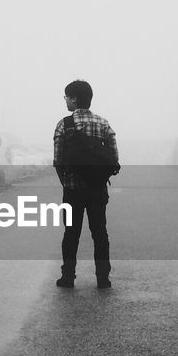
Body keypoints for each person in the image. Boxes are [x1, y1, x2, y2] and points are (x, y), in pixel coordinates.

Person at [53, 79, 118, 289]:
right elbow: (114, 159)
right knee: (100, 233)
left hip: (73, 190)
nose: (65, 101)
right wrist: (97, 176)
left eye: (66, 97)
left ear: (73, 99)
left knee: (71, 233)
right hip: (98, 189)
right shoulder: (103, 123)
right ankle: (102, 278)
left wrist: (67, 182)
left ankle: (68, 277)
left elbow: (58, 160)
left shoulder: (64, 124)